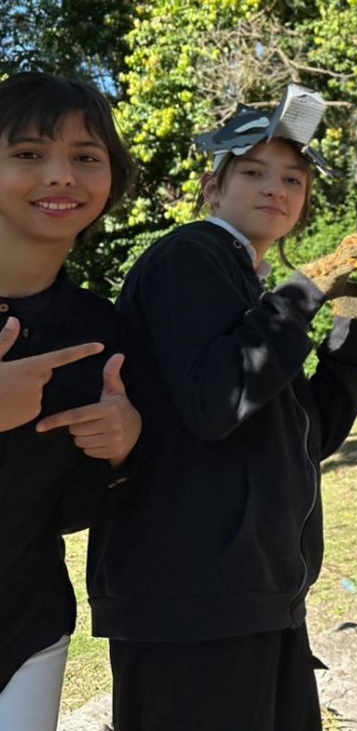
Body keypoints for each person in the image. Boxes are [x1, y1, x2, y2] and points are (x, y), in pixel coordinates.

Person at [85, 86, 357, 731]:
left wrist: (352, 342)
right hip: (190, 600)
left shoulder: (254, 292)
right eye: (252, 171)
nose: (276, 187)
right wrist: (304, 294)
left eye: (292, 179)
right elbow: (217, 401)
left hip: (257, 593)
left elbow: (305, 436)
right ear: (214, 189)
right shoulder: (189, 257)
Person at [0, 71, 141, 731]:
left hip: (28, 628)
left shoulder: (99, 330)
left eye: (86, 158)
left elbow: (68, 510)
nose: (61, 176)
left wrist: (119, 447)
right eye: (28, 154)